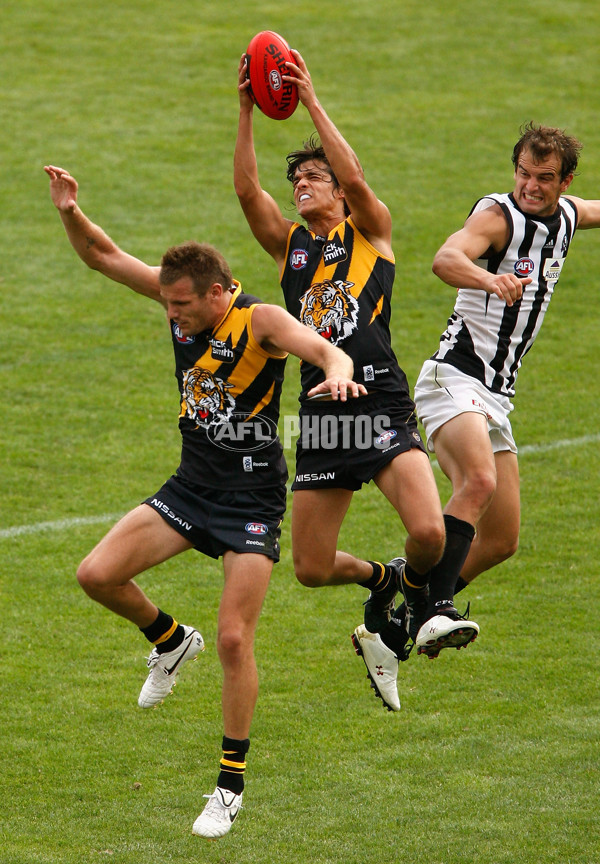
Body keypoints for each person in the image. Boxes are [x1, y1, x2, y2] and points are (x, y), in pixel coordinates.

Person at [45, 164, 363, 838]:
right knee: (96, 574)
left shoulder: (262, 322)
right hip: (192, 486)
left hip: (250, 497)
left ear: (218, 292)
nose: (172, 315)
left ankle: (229, 786)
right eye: (167, 303)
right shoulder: (177, 303)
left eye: (183, 305)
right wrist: (72, 212)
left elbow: (324, 350)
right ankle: (167, 641)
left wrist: (337, 376)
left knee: (233, 637)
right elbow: (105, 257)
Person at [234, 50, 471, 713]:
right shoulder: (291, 249)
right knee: (310, 567)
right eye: (299, 179)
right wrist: (247, 110)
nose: (303, 185)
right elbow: (248, 193)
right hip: (323, 416)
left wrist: (310, 99)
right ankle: (386, 580)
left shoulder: (371, 232)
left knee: (429, 532)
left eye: (316, 177)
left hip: (379, 404)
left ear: (338, 188)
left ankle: (422, 600)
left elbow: (358, 175)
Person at [396, 122, 600, 663]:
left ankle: (396, 615)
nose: (531, 186)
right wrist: (490, 280)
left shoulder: (568, 217)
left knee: (502, 539)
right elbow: (446, 258)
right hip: (452, 377)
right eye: (524, 174)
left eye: (545, 178)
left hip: (495, 394)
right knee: (478, 480)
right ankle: (435, 607)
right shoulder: (496, 216)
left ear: (565, 180)